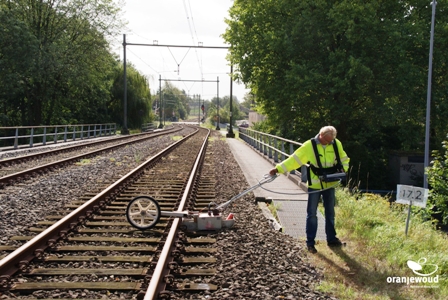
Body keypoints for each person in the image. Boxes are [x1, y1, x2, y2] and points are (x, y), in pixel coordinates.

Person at [269, 126, 350, 253]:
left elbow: (344, 158)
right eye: (327, 141)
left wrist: (343, 169)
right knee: (312, 214)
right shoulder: (309, 146)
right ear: (321, 135)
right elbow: (294, 160)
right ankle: (310, 243)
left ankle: (332, 239)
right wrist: (278, 169)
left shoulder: (336, 143)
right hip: (315, 185)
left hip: (330, 183)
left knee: (330, 213)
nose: (329, 143)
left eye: (331, 141)